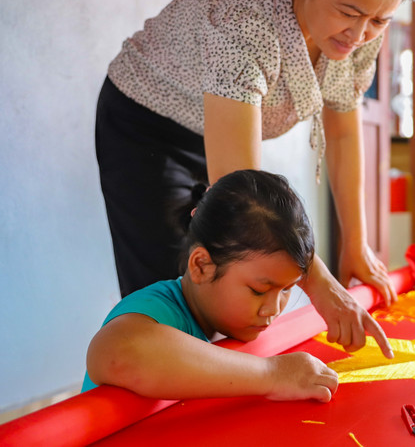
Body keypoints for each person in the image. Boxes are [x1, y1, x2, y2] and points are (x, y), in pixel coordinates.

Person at [95, 0, 415, 310]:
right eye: (348, 12)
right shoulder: (246, 22)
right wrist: (318, 283)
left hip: (214, 132)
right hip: (146, 125)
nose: (359, 34)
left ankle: (216, 370)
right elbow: (238, 184)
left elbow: (344, 131)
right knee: (174, 288)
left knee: (230, 281)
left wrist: (356, 243)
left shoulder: (362, 35)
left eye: (379, 20)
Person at [83, 170, 392, 401]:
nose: (273, 309)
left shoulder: (228, 316)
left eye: (286, 290)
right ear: (201, 266)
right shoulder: (157, 311)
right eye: (259, 290)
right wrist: (273, 374)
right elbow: (116, 353)